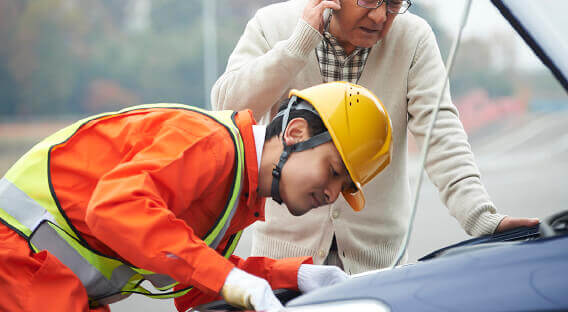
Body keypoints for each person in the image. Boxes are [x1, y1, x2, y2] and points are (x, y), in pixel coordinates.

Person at [211, 0, 538, 275]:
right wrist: (299, 42)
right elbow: (227, 109)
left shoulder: (413, 39)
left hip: (378, 269)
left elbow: (441, 135)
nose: (381, 15)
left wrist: (482, 219)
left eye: (396, 1)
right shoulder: (273, 24)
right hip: (280, 265)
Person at [0, 81, 392, 312]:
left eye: (344, 188)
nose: (331, 193)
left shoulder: (237, 192)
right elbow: (114, 209)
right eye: (334, 171)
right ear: (296, 133)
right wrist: (229, 278)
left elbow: (194, 283)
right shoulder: (211, 145)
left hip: (47, 274)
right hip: (17, 259)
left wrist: (297, 276)